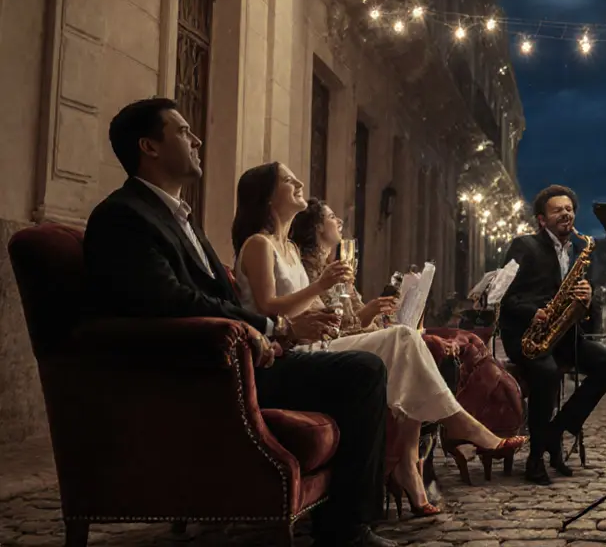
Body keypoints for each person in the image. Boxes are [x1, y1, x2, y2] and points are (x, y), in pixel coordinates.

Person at [83, 98, 395, 547]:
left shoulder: (178, 216)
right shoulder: (123, 216)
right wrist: (271, 330)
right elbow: (169, 300)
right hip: (201, 371)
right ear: (149, 146)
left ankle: (343, 514)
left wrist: (263, 337)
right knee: (363, 372)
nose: (197, 139)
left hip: (238, 358)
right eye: (183, 132)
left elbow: (218, 297)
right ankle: (347, 528)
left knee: (359, 368)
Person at [232, 167, 527, 516]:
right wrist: (322, 287)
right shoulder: (258, 244)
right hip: (288, 353)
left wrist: (332, 312)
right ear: (268, 196)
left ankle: (412, 459)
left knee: (406, 344)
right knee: (403, 340)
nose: (298, 184)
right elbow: (269, 308)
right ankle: (458, 428)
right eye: (287, 181)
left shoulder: (291, 249)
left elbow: (311, 311)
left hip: (314, 344)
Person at [499, 185, 606, 484]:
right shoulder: (524, 246)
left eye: (569, 209)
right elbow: (503, 296)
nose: (566, 213)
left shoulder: (579, 251)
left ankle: (556, 431)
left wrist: (587, 295)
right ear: (542, 219)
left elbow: (580, 302)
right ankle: (535, 459)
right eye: (558, 210)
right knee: (547, 373)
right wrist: (534, 312)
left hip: (563, 334)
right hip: (529, 336)